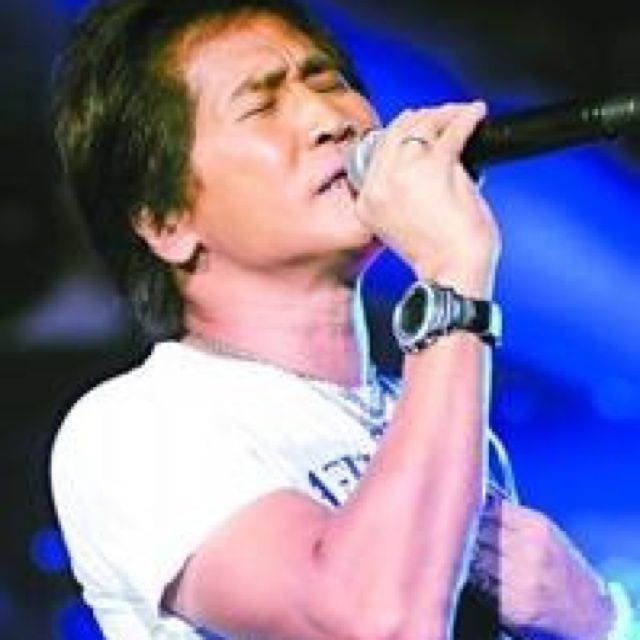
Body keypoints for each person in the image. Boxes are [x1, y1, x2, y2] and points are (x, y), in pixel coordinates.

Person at [49, 1, 634, 639]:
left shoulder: (440, 421)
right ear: (167, 222)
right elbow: (375, 622)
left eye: (327, 82)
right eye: (262, 105)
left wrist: (598, 621)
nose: (329, 120)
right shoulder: (136, 425)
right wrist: (450, 273)